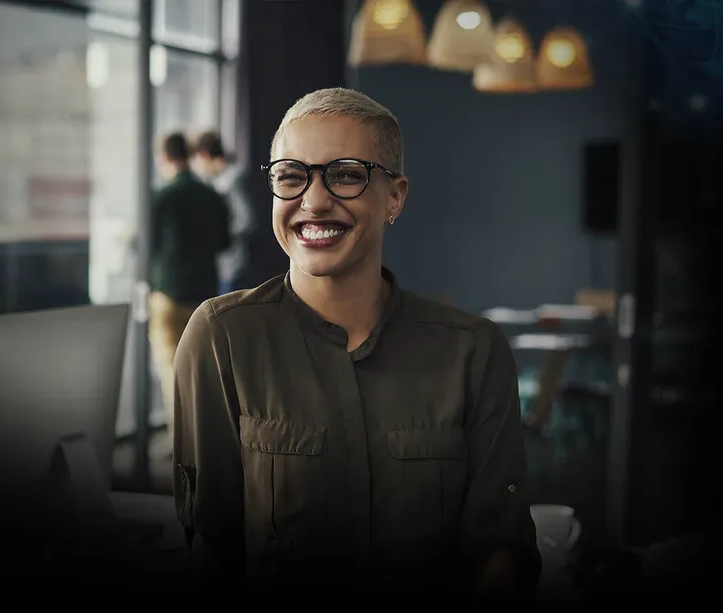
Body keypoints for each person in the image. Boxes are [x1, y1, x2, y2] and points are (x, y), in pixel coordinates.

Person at [171, 88, 540, 599]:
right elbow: (211, 547)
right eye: (291, 176)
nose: (314, 200)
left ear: (395, 196)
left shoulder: (474, 352)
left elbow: (502, 549)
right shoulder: (220, 336)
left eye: (345, 174)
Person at [149, 132, 231, 445]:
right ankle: (207, 444)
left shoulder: (161, 197)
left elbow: (149, 245)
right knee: (202, 373)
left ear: (164, 158)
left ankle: (182, 446)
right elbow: (224, 242)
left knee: (172, 372)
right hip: (205, 295)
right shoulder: (212, 196)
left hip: (168, 293)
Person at [190, 131, 255, 294]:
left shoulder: (231, 181)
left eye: (196, 160)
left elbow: (246, 220)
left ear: (204, 155)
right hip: (225, 264)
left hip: (232, 264)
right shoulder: (219, 180)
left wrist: (219, 236)